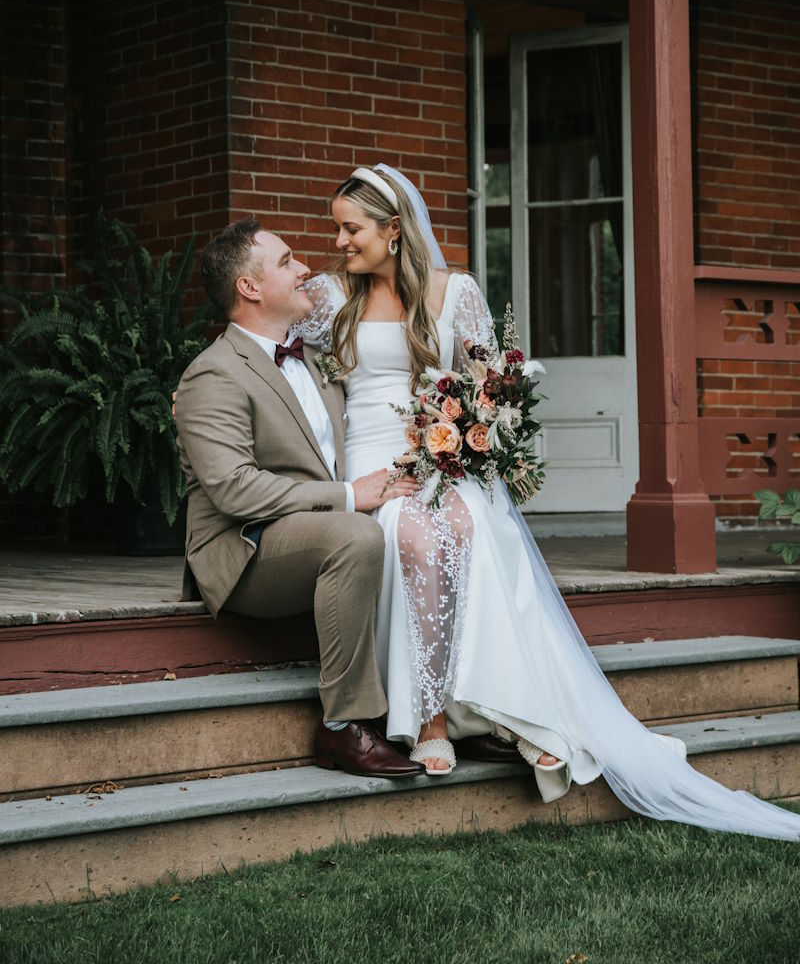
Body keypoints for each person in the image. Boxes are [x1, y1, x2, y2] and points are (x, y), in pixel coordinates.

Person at [295, 162, 800, 839]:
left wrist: (467, 439)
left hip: (442, 449)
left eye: (349, 228)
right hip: (370, 456)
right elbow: (269, 347)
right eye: (336, 229)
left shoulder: (457, 291)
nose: (338, 242)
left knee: (469, 526)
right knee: (410, 536)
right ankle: (430, 720)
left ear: (393, 230)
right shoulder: (331, 297)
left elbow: (489, 385)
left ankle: (499, 705)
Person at [174, 218, 424, 780]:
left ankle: (442, 714)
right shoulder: (211, 375)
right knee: (358, 533)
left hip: (309, 530)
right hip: (246, 549)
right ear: (250, 287)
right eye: (286, 260)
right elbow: (235, 487)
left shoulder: (314, 358)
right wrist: (347, 496)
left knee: (421, 530)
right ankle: (344, 725)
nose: (305, 266)